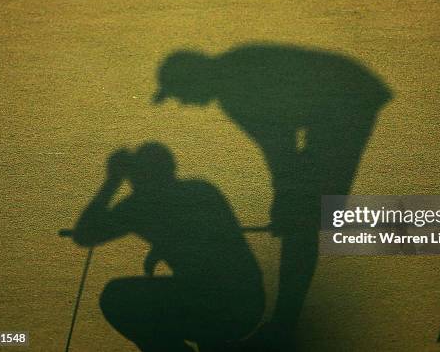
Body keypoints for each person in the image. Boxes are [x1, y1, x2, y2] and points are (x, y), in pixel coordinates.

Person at [152, 43, 392, 350]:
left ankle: (285, 324)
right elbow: (283, 151)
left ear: (193, 78)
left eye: (178, 93)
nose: (183, 103)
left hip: (346, 99)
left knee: (303, 218)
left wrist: (286, 202)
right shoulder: (232, 76)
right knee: (304, 214)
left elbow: (280, 151)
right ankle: (286, 320)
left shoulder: (235, 92)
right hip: (346, 96)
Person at [71, 143, 265, 352]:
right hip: (247, 303)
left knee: (116, 297)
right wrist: (163, 247)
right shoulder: (201, 190)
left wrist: (112, 181)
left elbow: (85, 234)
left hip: (214, 302)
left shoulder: (139, 205)